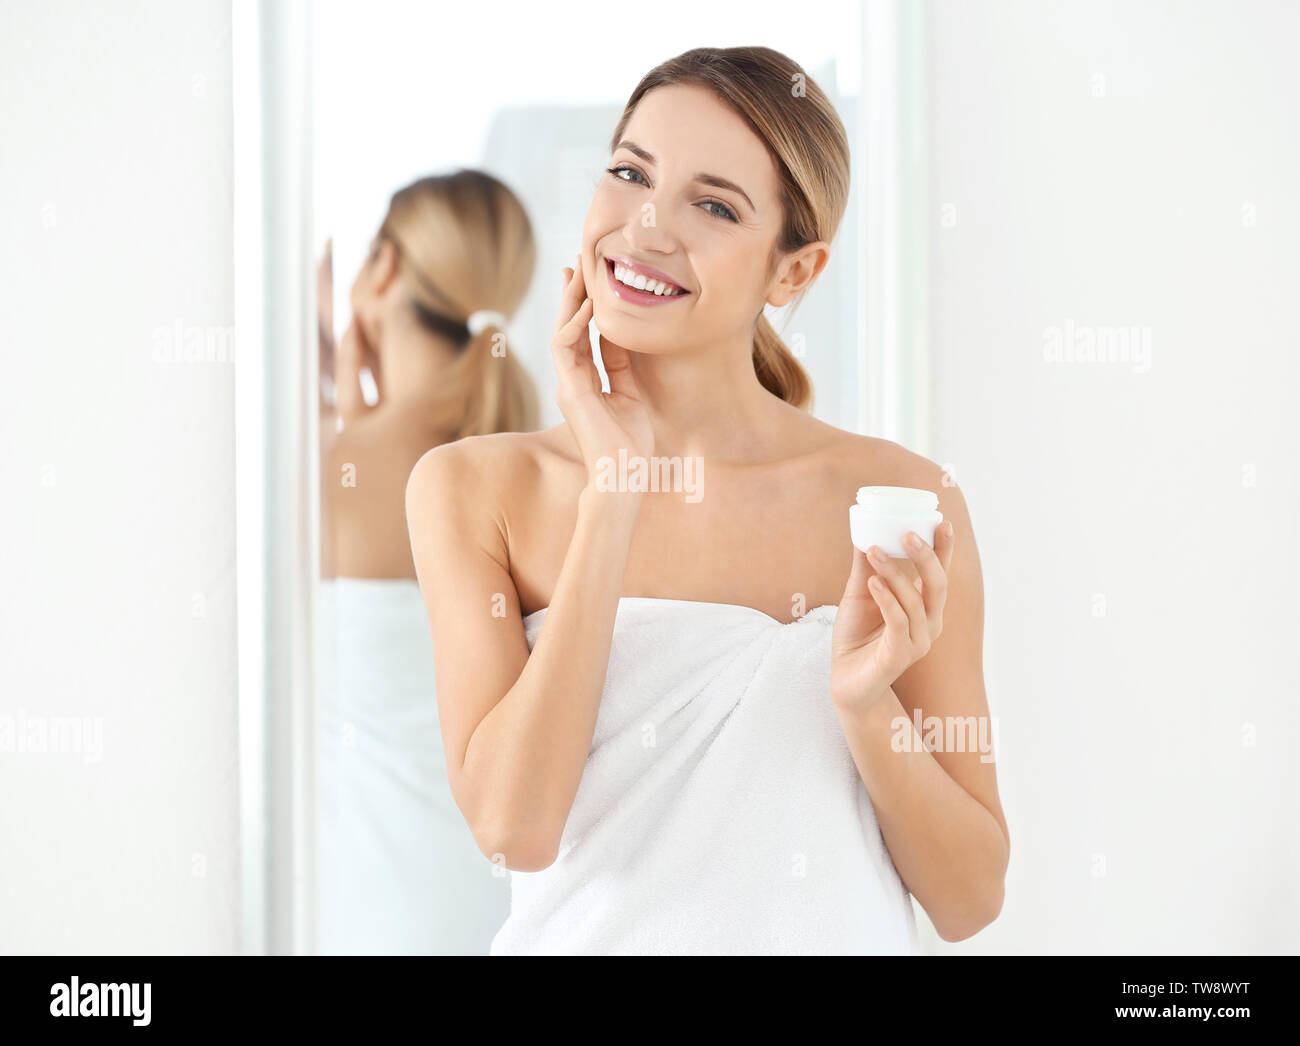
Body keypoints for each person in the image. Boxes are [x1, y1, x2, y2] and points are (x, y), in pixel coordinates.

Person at [406, 48, 1010, 955]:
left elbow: (968, 901)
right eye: (629, 173)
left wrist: (864, 703)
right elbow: (513, 829)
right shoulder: (474, 490)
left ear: (794, 274)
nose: (647, 227)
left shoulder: (901, 503)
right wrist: (614, 495)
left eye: (715, 205)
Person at [317, 170, 538, 954]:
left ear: (381, 273)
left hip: (363, 914)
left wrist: (336, 436)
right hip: (511, 915)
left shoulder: (323, 476)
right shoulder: (531, 471)